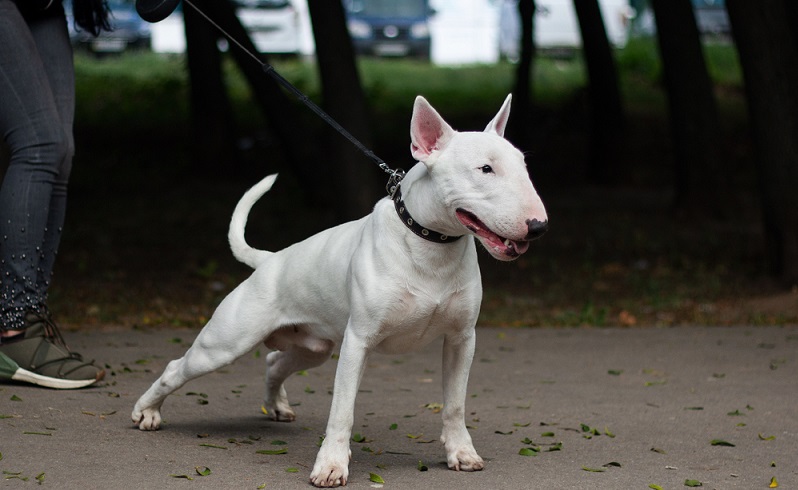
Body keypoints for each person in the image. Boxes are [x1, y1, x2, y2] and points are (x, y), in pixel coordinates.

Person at [0, 0, 110, 389]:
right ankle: (13, 328)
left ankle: (30, 318)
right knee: (40, 143)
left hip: (41, 4)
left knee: (60, 151)